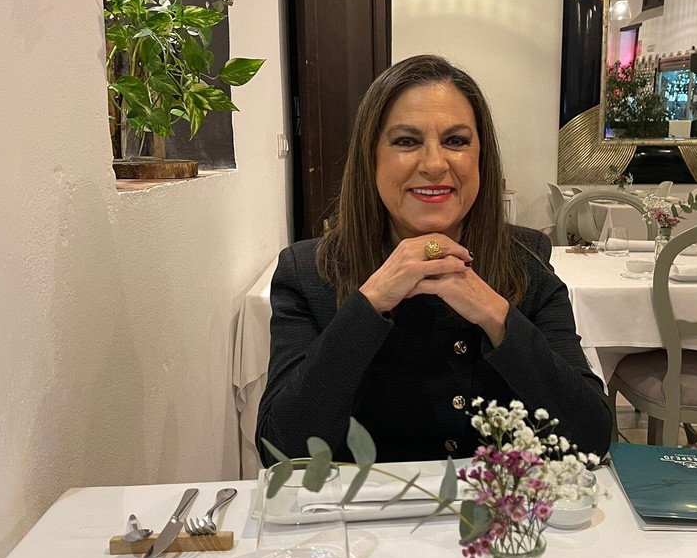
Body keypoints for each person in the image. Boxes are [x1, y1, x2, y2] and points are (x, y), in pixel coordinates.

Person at [256, 54, 612, 464]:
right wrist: (369, 303)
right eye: (406, 141)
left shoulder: (527, 259)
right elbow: (280, 450)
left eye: (456, 141)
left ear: (481, 157)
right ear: (371, 158)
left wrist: (496, 315)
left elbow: (591, 438)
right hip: (365, 505)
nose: (433, 164)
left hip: (495, 502)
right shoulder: (309, 272)